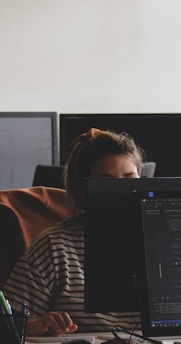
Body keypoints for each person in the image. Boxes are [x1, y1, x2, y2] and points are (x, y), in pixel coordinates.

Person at [1, 128, 143, 336]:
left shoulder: (161, 238)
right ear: (80, 189)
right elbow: (7, 326)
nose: (120, 190)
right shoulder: (55, 245)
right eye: (106, 182)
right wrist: (35, 326)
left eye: (130, 179)